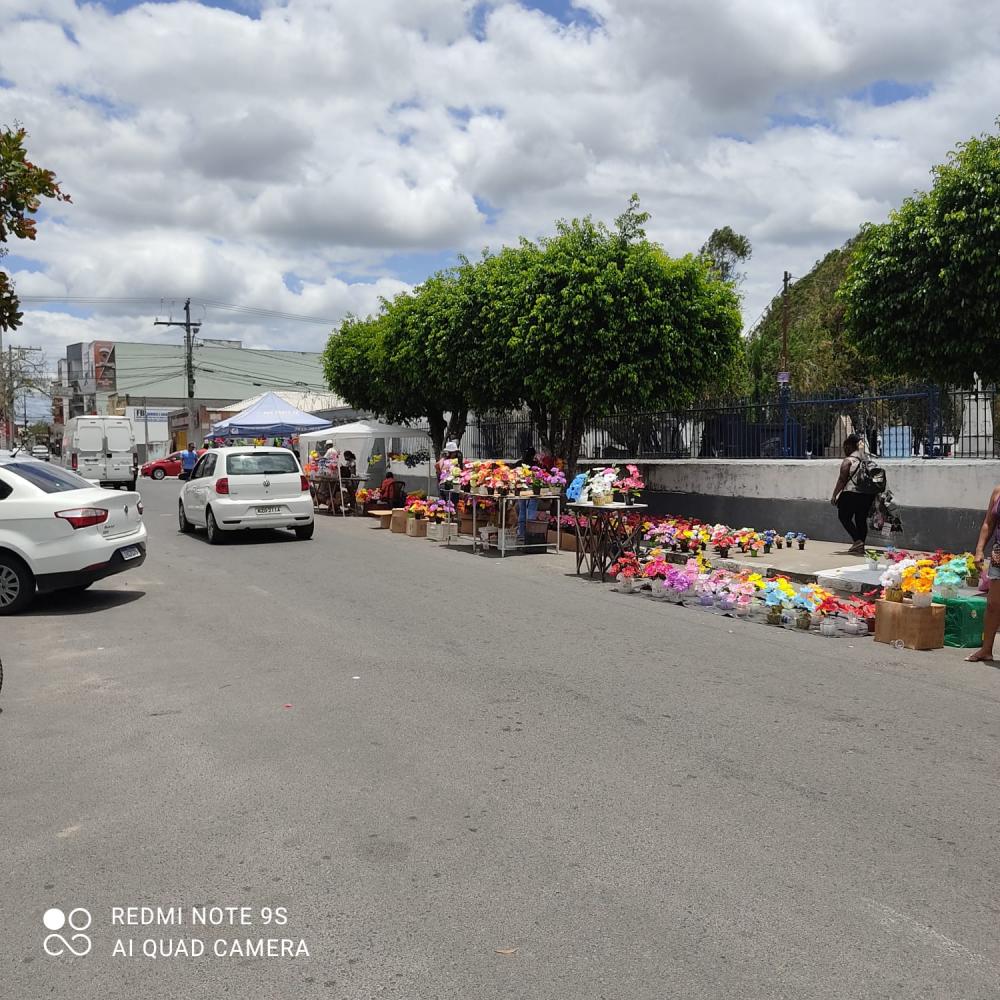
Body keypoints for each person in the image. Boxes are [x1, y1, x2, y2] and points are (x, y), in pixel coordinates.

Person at [966, 486, 1000, 662]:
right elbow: (989, 523)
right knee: (993, 604)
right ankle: (986, 649)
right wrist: (979, 550)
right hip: (999, 553)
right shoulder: (997, 492)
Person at [830, 433, 876, 556]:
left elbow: (842, 479)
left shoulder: (848, 461)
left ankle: (857, 541)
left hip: (851, 493)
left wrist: (834, 495)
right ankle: (860, 545)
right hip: (867, 495)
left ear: (849, 446)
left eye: (845, 447)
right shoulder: (866, 459)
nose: (844, 450)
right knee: (861, 519)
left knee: (843, 517)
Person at [516, 445, 538, 543]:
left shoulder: (519, 464)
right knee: (531, 511)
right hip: (533, 490)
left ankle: (521, 534)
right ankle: (530, 535)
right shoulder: (535, 465)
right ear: (533, 455)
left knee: (522, 511)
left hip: (521, 490)